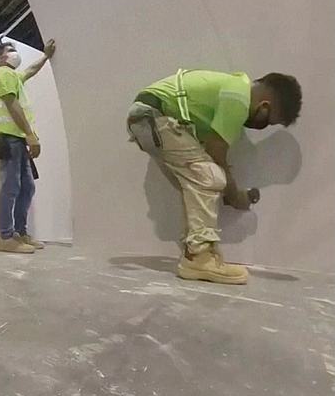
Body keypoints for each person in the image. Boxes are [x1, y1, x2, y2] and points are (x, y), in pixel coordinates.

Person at [128, 70, 302, 285]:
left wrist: (232, 192)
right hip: (153, 116)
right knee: (210, 178)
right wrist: (235, 195)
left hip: (147, 118)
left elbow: (211, 151)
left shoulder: (233, 88)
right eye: (269, 121)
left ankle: (196, 252)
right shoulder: (239, 97)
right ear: (264, 106)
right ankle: (199, 257)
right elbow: (216, 151)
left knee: (194, 182)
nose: (263, 126)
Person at [0, 39, 56, 254]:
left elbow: (30, 70)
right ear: (1, 58)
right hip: (9, 138)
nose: (15, 53)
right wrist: (30, 134)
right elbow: (12, 104)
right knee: (11, 187)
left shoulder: (14, 77)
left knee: (27, 187)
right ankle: (6, 237)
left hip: (17, 139)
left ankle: (20, 233)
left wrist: (45, 56)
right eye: (10, 50)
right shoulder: (3, 74)